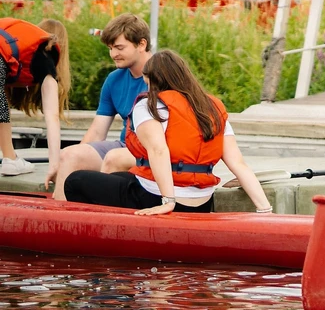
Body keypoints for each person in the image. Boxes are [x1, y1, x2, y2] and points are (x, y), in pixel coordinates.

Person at [64, 50, 272, 215]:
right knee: (120, 175)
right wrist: (265, 209)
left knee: (75, 181)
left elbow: (158, 150)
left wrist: (168, 201)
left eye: (147, 82)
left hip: (158, 197)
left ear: (153, 79)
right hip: (201, 202)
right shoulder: (214, 108)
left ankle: (108, 237)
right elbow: (238, 164)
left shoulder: (149, 105)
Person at [52, 14, 151, 201]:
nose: (113, 54)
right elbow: (97, 132)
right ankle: (60, 220)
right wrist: (72, 159)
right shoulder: (114, 79)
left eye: (119, 48)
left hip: (153, 149)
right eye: (110, 48)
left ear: (141, 44)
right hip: (124, 146)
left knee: (114, 158)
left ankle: (103, 225)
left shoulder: (163, 73)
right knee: (68, 155)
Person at [0, 18, 70, 180]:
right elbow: (52, 117)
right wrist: (54, 165)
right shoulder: (44, 57)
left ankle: (10, 158)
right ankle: (10, 160)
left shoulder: (15, 45)